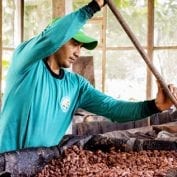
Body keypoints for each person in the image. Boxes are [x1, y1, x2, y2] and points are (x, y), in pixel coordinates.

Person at [0, 0, 177, 154]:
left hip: (41, 166)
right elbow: (51, 38)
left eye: (81, 47)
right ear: (57, 40)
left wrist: (154, 106)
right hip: (6, 164)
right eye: (74, 44)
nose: (78, 53)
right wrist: (93, 6)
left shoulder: (76, 85)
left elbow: (113, 108)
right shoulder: (26, 64)